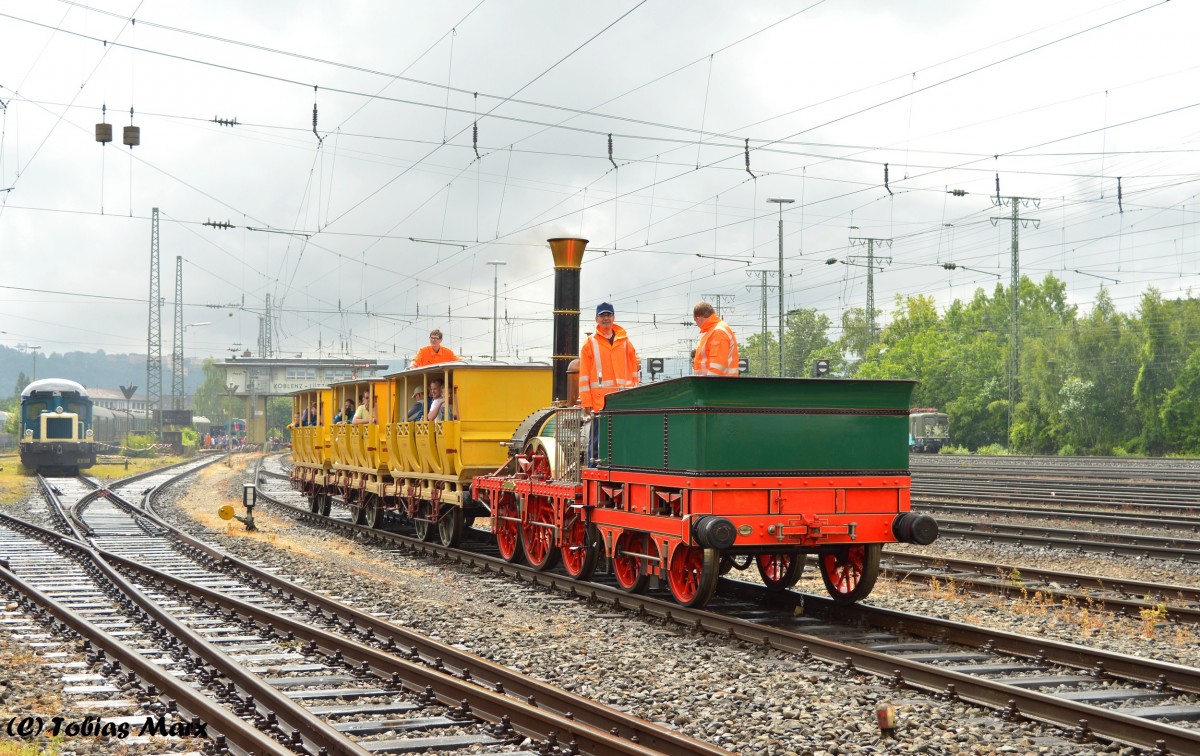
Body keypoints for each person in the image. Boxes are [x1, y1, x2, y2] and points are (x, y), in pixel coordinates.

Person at [579, 302, 639, 465]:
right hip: (601, 401)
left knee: (622, 439)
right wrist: (586, 401)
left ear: (613, 317)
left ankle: (621, 468)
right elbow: (584, 374)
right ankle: (594, 469)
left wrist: (634, 393)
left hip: (622, 400)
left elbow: (634, 369)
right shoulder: (590, 343)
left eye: (608, 315)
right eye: (602, 315)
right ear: (596, 319)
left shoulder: (626, 342)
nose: (606, 318)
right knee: (598, 440)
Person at [692, 300, 739, 377]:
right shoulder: (713, 331)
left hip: (718, 385)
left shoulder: (718, 332)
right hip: (717, 384)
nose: (697, 324)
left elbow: (718, 365)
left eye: (695, 321)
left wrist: (710, 385)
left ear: (699, 318)